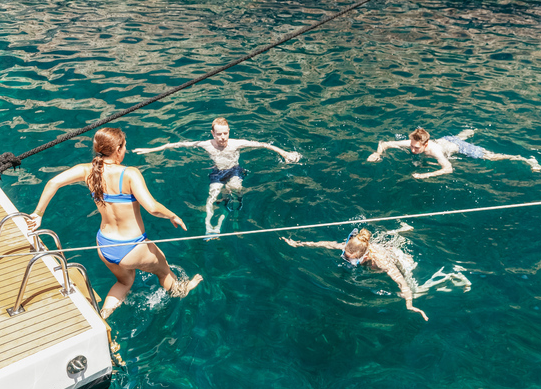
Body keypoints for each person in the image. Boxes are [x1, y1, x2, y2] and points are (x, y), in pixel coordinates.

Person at [27, 127, 203, 319]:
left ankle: (103, 317)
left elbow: (53, 183)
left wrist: (38, 213)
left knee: (124, 282)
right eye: (124, 146)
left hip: (104, 245)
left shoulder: (87, 170)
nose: (125, 150)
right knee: (164, 270)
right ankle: (182, 290)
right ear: (118, 149)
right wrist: (172, 215)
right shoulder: (130, 173)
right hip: (133, 246)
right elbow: (152, 207)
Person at [133, 117, 301, 235]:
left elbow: (263, 145)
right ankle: (209, 226)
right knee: (211, 196)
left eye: (225, 133)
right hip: (217, 173)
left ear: (229, 132)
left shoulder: (236, 144)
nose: (222, 137)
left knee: (234, 188)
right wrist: (150, 150)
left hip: (234, 169)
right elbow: (176, 144)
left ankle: (230, 210)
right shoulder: (207, 145)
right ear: (212, 133)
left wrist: (284, 153)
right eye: (219, 134)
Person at [282, 225, 470, 321]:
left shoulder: (380, 261)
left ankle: (452, 276)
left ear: (363, 255)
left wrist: (410, 304)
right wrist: (298, 244)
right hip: (380, 249)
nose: (346, 260)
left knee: (417, 289)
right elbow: (325, 244)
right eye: (345, 256)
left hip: (400, 259)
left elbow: (402, 283)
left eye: (350, 259)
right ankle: (403, 230)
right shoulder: (350, 247)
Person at [366, 127, 541, 178]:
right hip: (446, 140)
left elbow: (448, 169)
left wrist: (426, 175)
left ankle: (525, 159)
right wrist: (378, 153)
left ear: (425, 144)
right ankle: (469, 131)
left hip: (459, 148)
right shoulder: (413, 142)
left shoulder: (433, 150)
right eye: (412, 146)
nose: (412, 149)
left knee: (491, 157)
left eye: (416, 148)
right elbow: (386, 143)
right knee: (454, 139)